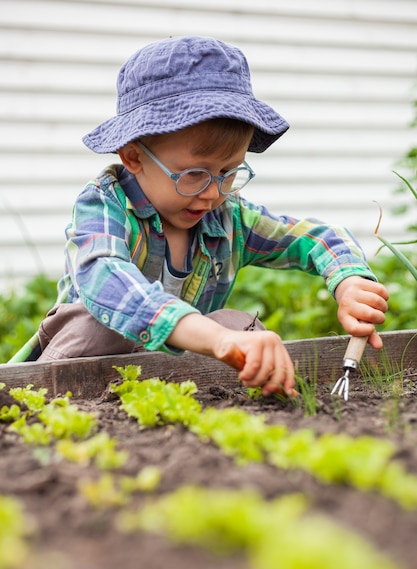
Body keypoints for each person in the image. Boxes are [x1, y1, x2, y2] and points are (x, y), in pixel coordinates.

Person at [11, 36, 389, 398]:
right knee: (97, 327)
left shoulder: (228, 218)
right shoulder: (104, 205)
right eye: (194, 174)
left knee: (247, 331)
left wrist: (350, 282)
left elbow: (315, 238)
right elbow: (106, 280)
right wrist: (216, 339)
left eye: (229, 173)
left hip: (183, 370)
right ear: (134, 156)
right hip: (84, 367)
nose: (212, 193)